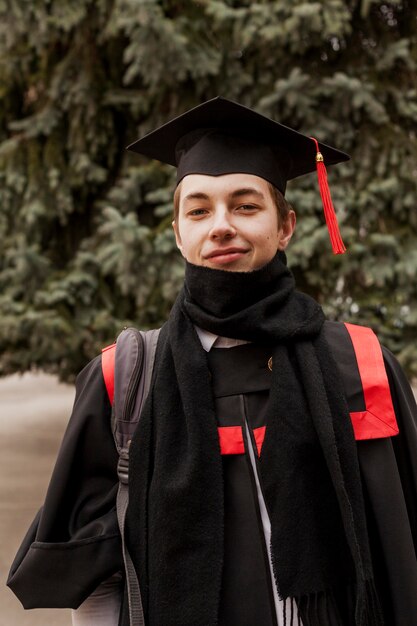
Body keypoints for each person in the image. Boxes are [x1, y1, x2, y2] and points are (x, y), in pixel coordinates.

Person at [7, 97, 417, 626]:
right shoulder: (125, 379)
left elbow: (404, 545)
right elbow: (97, 574)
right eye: (198, 210)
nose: (220, 225)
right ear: (179, 233)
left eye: (246, 205)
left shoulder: (359, 366)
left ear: (286, 225)